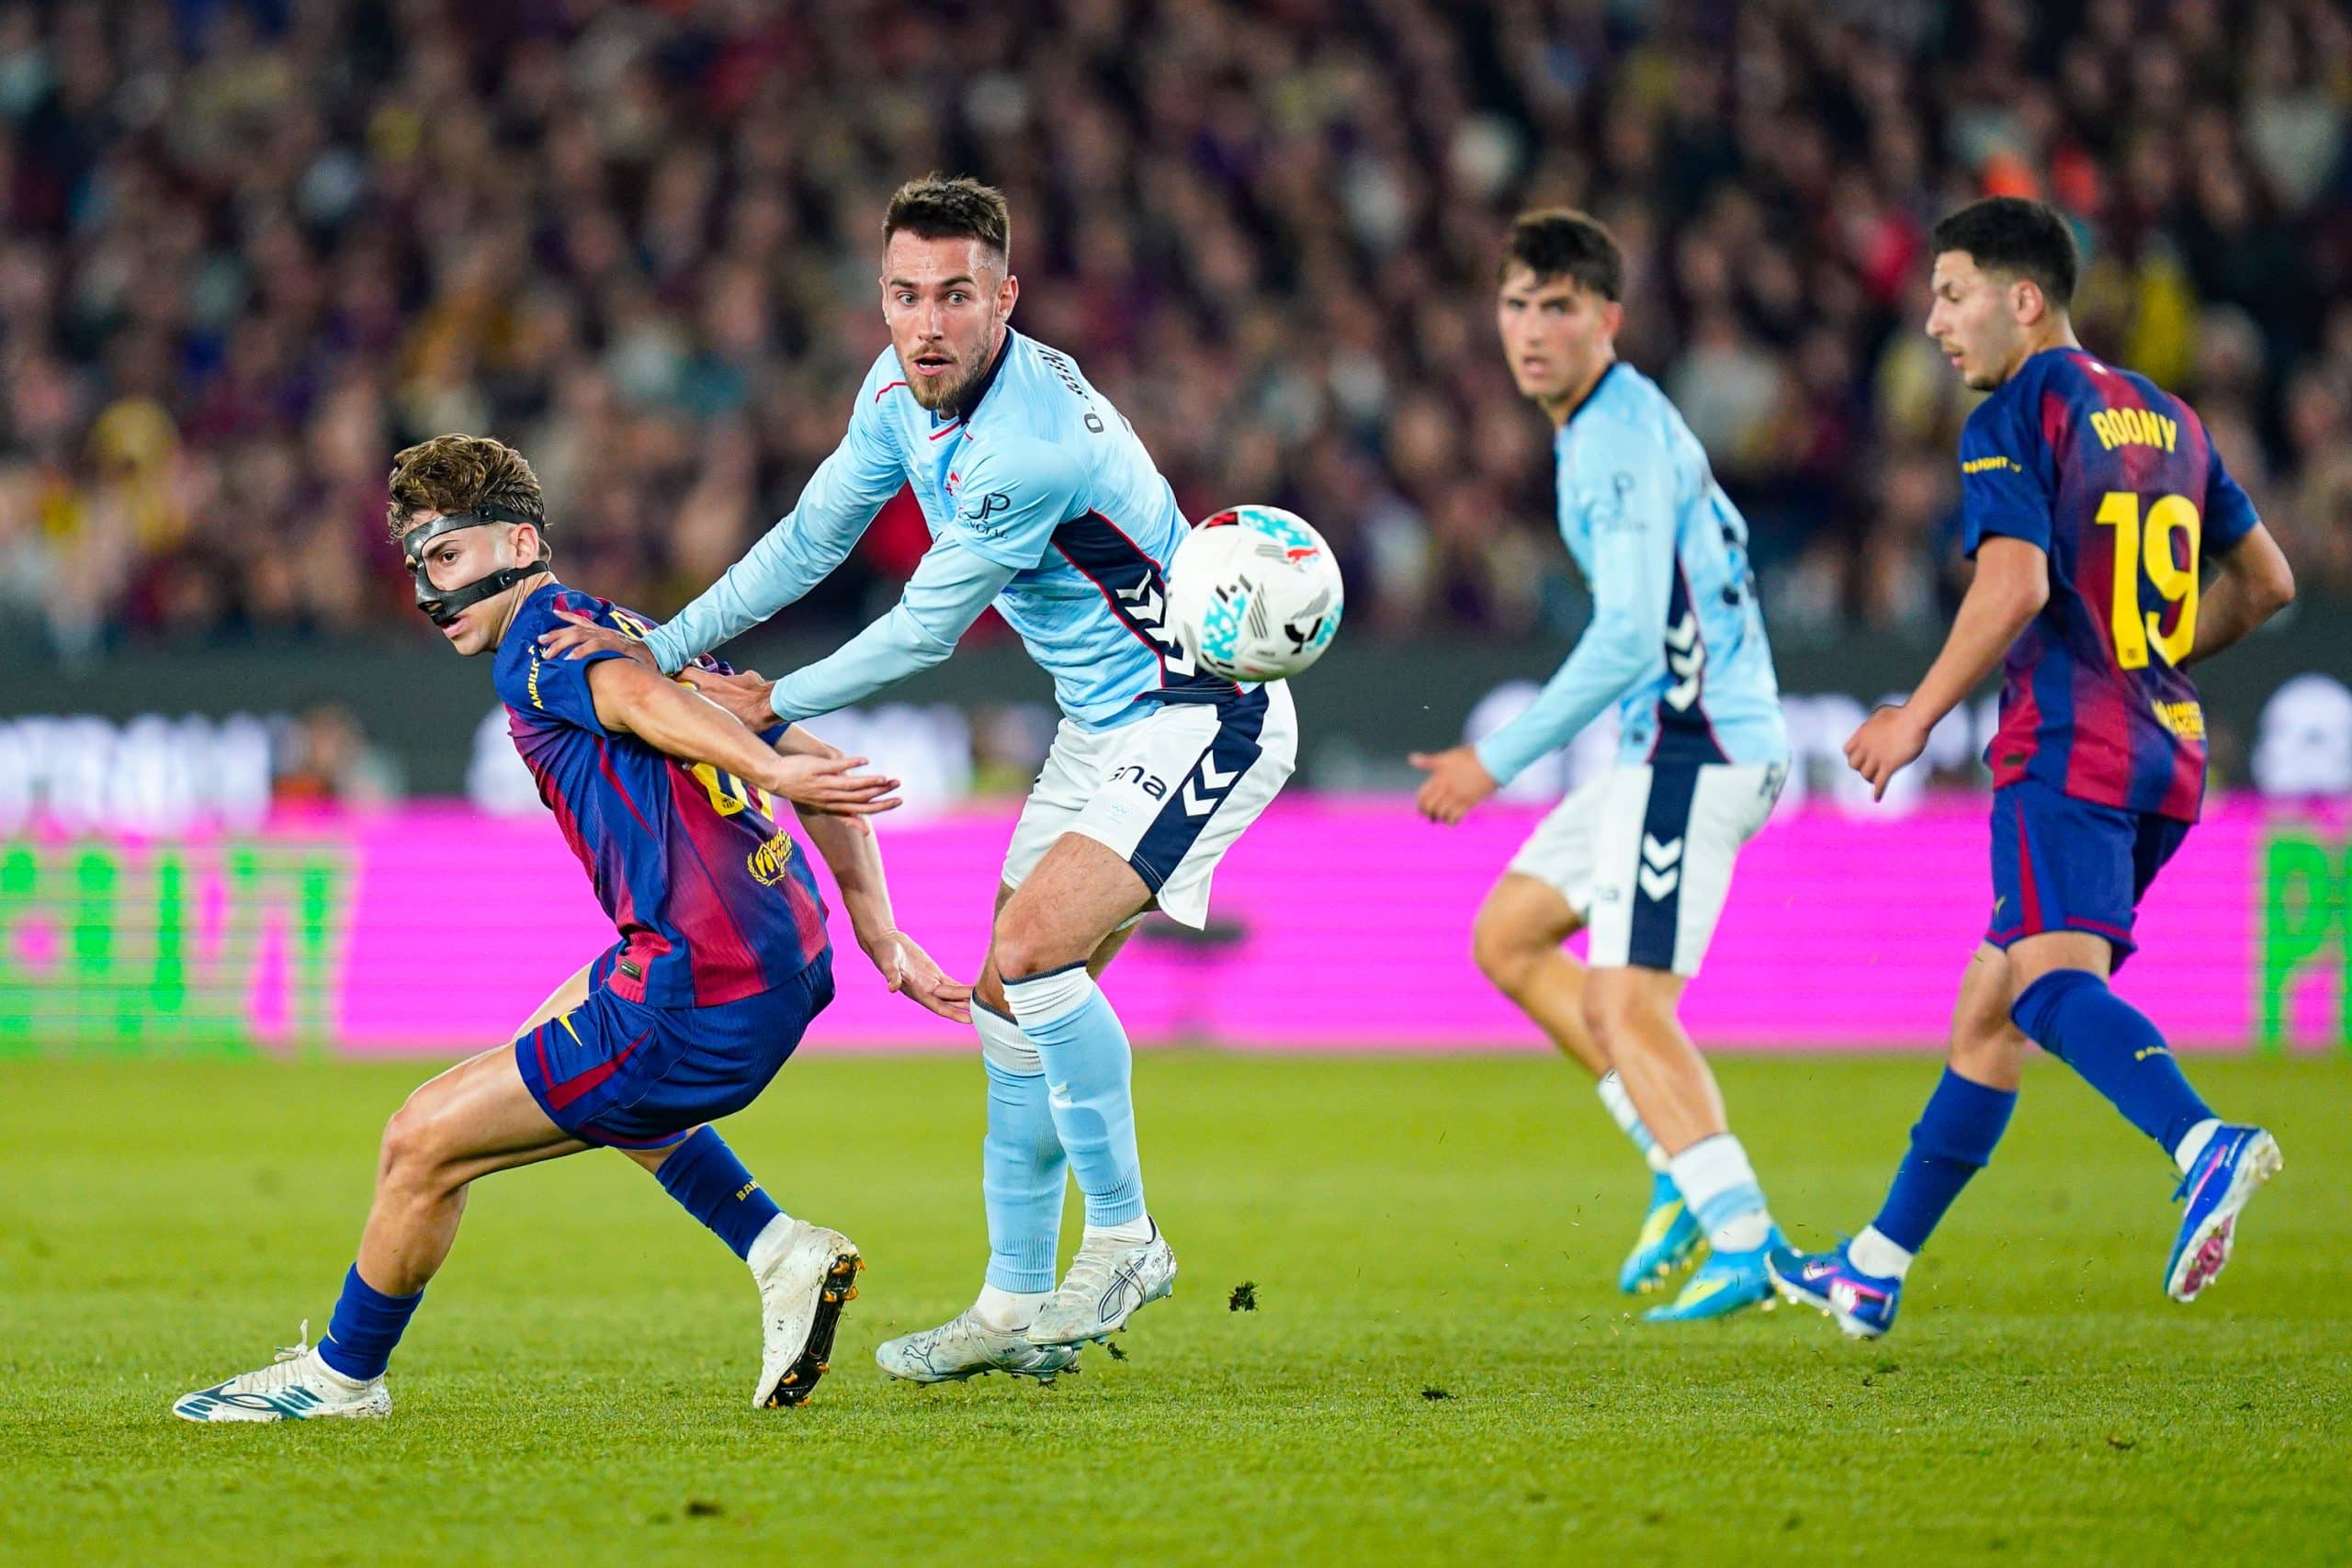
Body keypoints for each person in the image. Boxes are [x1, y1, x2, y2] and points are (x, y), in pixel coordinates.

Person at [539, 176, 1295, 1381]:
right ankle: (1012, 1308)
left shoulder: (1028, 445)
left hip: (1202, 709)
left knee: (1039, 946)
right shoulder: (896, 392)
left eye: (955, 295)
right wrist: (662, 652)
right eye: (904, 294)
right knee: (1007, 1007)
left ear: (1006, 296)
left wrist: (771, 701)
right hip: (1105, 723)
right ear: (880, 299)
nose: (928, 321)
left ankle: (1126, 1237)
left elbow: (923, 629)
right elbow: (808, 538)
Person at [173, 434, 970, 1421]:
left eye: (449, 558)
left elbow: (632, 699)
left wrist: (769, 775)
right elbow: (824, 772)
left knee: (420, 1142)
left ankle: (340, 1380)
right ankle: (778, 1251)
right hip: (783, 958)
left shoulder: (539, 651)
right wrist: (879, 939)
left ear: (517, 541)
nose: (431, 594)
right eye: (419, 568)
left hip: (702, 990)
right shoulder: (629, 623)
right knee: (552, 1051)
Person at [1770, 197, 2298, 1338]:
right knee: (1991, 1011)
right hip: (2169, 754)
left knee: (2052, 991)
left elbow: (2012, 588)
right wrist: (2152, 646)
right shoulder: (2170, 418)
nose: (1933, 323)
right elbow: (2267, 583)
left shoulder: (2018, 411)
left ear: (2023, 299)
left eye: (1951, 294)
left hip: (2069, 746)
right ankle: (1870, 1268)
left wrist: (1915, 714)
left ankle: (2202, 1143)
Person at [1408, 210, 1792, 1321]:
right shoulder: (1599, 429)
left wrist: (1495, 758)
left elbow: (1628, 636)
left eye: (1559, 307)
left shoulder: (1617, 438)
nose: (1531, 330)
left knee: (1629, 1009)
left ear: (1608, 320)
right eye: (1516, 305)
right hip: (1656, 749)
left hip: (1697, 747)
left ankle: (1743, 1234)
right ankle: (1674, 1154)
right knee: (1510, 936)